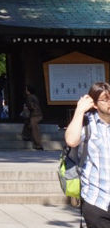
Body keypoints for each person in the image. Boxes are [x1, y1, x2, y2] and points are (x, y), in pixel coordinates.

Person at [65, 82, 110, 228]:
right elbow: (71, 140)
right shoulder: (87, 123)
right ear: (95, 104)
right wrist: (79, 110)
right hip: (97, 200)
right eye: (106, 99)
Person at [21, 84, 43, 150]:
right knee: (28, 124)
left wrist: (27, 107)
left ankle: (38, 145)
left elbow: (31, 106)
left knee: (35, 129)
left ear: (28, 90)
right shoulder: (34, 96)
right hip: (38, 114)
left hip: (35, 115)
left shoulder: (29, 97)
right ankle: (26, 136)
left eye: (26, 89)